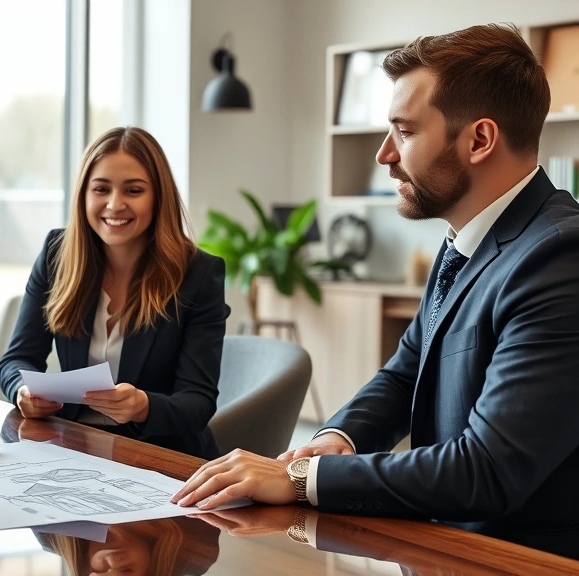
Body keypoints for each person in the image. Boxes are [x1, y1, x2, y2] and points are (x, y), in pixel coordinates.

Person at [172, 23, 579, 559]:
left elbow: (486, 469)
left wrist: (303, 480)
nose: (385, 155)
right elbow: (404, 372)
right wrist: (330, 442)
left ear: (479, 139)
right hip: (441, 548)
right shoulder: (467, 236)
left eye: (405, 132)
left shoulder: (559, 257)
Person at [0, 126, 229, 459]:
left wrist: (143, 406)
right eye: (101, 189)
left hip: (159, 455)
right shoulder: (56, 254)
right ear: (84, 196)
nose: (114, 204)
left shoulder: (198, 273)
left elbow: (198, 402)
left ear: (158, 197)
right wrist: (22, 391)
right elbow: (16, 360)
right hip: (73, 445)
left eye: (134, 190)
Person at [33, 517, 221, 576]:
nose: (112, 561)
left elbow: (13, 435)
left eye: (101, 572)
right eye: (126, 570)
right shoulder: (196, 548)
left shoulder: (49, 534)